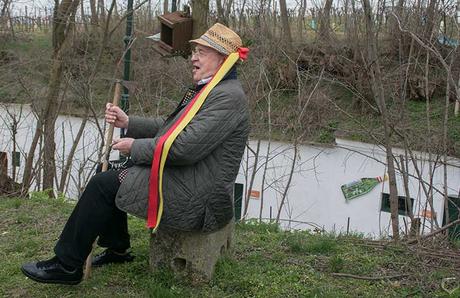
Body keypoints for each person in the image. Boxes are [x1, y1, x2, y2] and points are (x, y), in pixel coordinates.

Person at [20, 23, 250, 285]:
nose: (193, 58)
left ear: (223, 60)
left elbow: (183, 149)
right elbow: (170, 129)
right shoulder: (210, 90)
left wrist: (134, 147)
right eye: (194, 51)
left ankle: (67, 265)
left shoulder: (227, 98)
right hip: (188, 178)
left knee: (103, 184)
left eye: (201, 52)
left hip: (200, 195)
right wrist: (128, 122)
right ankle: (117, 248)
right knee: (106, 172)